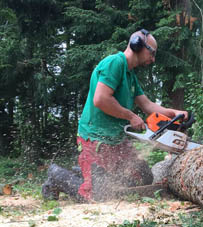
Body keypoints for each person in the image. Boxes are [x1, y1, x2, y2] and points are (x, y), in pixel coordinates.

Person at [42, 29, 188, 202]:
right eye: (152, 52)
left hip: (117, 139)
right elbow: (101, 99)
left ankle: (89, 173)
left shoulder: (130, 75)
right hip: (96, 137)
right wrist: (131, 116)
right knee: (98, 196)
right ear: (137, 44)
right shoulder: (114, 63)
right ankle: (56, 176)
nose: (153, 58)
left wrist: (174, 113)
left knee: (142, 177)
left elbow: (147, 105)